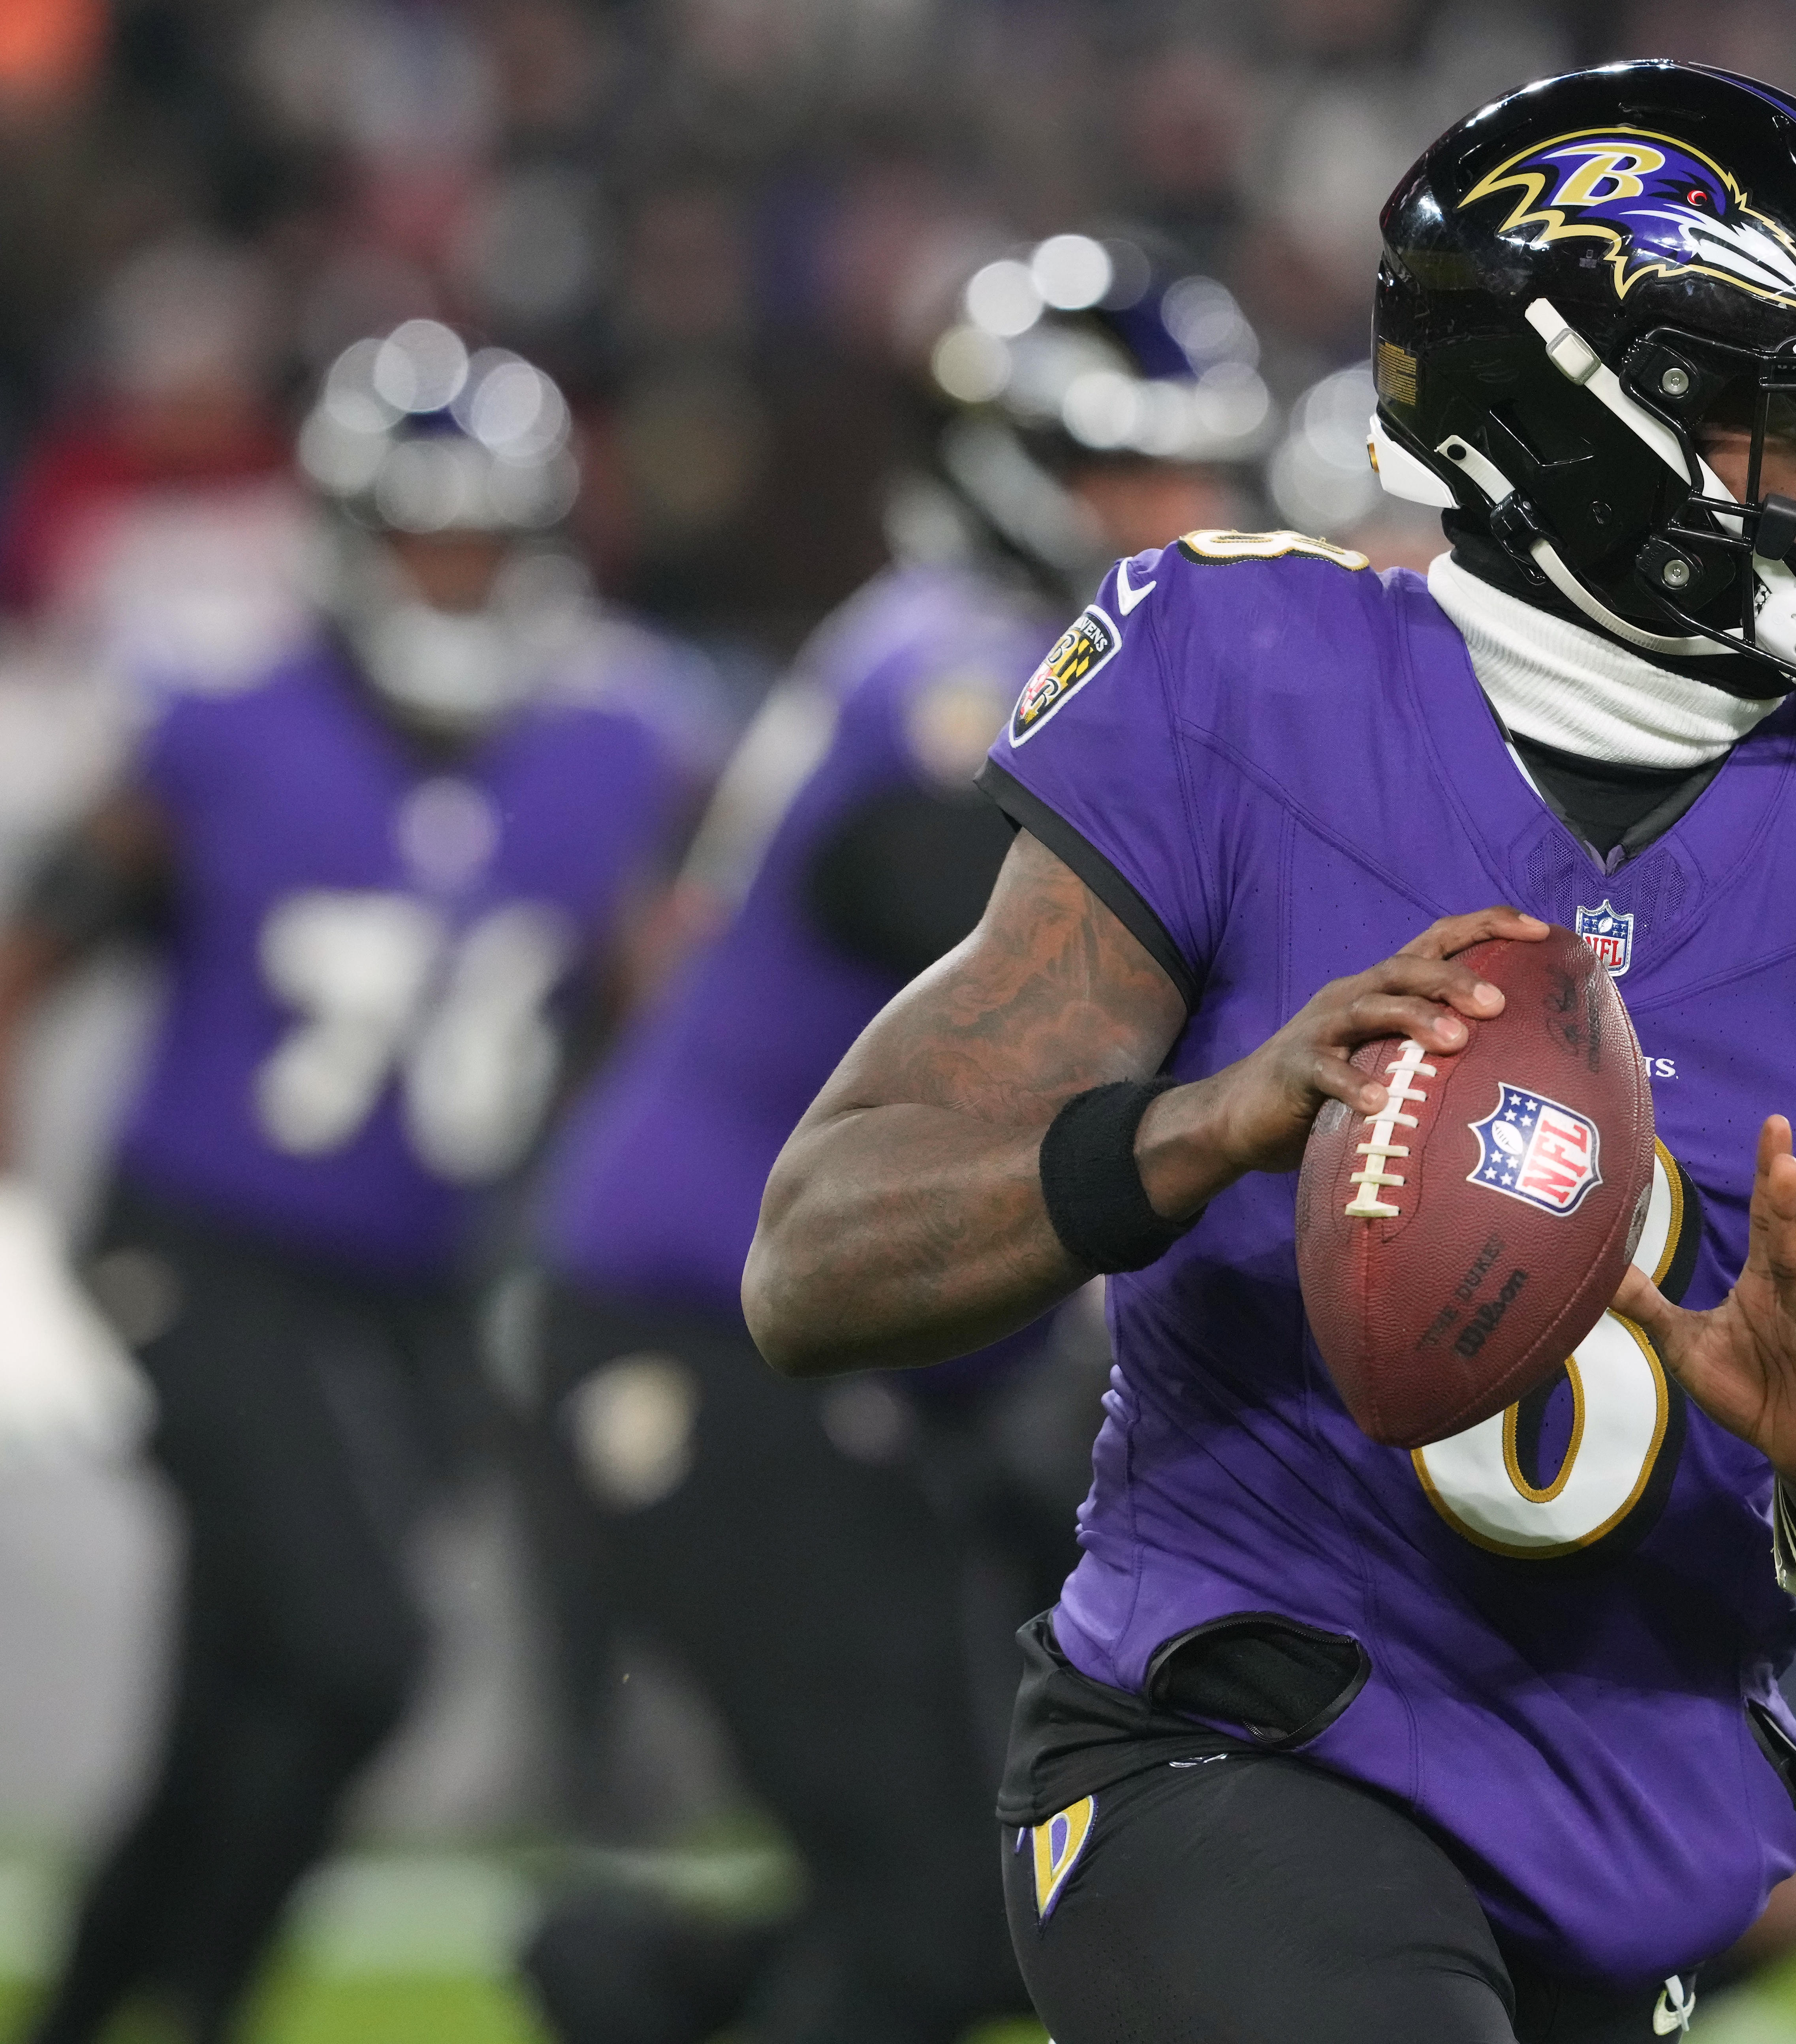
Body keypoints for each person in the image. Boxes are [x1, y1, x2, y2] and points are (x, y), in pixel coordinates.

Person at [743, 60, 1796, 2044]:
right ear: (1574, 423)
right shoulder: (1239, 681)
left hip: (1642, 1799)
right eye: (1785, 424)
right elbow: (819, 1259)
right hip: (1240, 1731)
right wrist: (1202, 1128)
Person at [514, 235, 1255, 2044]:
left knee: (1012, 1892)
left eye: (1190, 469)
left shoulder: (1056, 667)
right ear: (1014, 460)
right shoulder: (946, 666)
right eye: (1124, 470)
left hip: (886, 1364)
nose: (1172, 511)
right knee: (944, 1901)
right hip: (710, 1332)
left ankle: (625, 1989)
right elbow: (1000, 911)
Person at [0, 318, 710, 2044]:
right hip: (204, 1245)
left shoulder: (622, 743)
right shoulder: (220, 718)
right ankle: (204, 2002)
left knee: (247, 1701)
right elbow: (35, 952)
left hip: (419, 1289)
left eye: (488, 541)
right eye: (423, 539)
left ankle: (111, 2008)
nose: (456, 578)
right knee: (355, 1649)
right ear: (345, 536)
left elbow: (666, 1027)